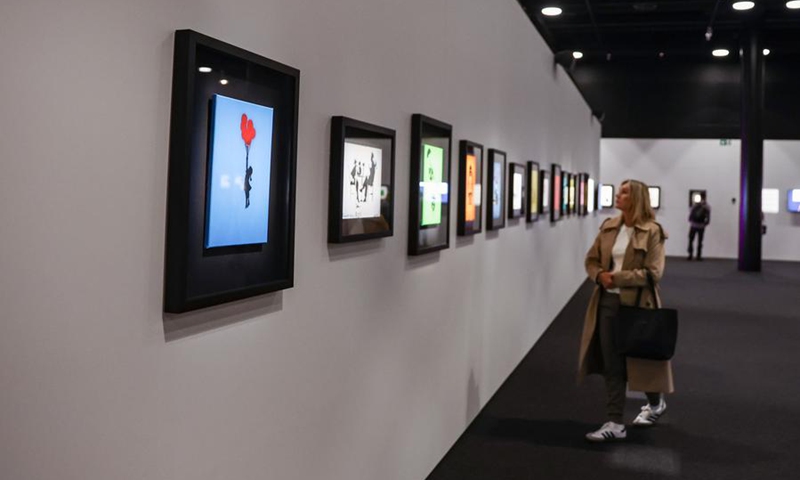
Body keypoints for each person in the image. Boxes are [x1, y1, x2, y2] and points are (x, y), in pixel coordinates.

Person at [579, 179, 674, 442]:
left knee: (642, 361)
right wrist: (599, 276)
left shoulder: (653, 231)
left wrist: (616, 278)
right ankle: (614, 422)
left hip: (639, 305)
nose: (617, 195)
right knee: (612, 364)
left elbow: (654, 273)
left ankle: (656, 403)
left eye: (624, 192)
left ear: (637, 199)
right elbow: (591, 259)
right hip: (608, 303)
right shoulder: (609, 227)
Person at [687, 194, 710, 260]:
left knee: (691, 240)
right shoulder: (706, 206)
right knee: (700, 241)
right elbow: (708, 215)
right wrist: (706, 223)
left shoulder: (695, 205)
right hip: (701, 226)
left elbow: (690, 212)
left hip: (693, 225)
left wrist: (690, 221)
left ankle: (690, 255)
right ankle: (698, 256)